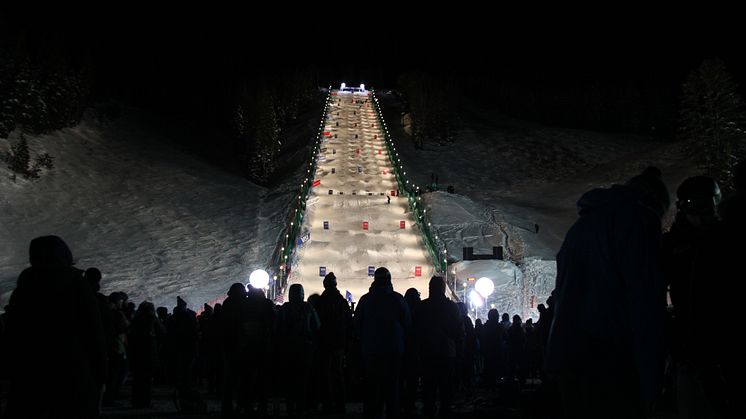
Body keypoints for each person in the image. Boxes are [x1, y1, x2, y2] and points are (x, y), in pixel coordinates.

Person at [545, 167, 671, 419]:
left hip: (570, 355)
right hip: (612, 360)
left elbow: (563, 296)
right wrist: (652, 382)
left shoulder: (581, 227)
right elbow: (644, 302)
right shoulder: (638, 223)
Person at [4, 236, 107, 418]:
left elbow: (12, 336)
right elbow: (94, 335)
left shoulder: (23, 288)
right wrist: (100, 378)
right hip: (73, 376)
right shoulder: (77, 285)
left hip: (29, 379)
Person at [662, 175, 729, 417]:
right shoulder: (674, 244)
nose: (703, 214)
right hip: (690, 340)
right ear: (683, 207)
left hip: (721, 337)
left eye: (708, 205)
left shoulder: (724, 237)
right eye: (695, 205)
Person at [354, 267, 411, 419]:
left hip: (372, 350)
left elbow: (357, 324)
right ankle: (392, 412)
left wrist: (365, 339)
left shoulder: (366, 300)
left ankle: (373, 412)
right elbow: (407, 323)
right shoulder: (398, 299)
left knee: (373, 387)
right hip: (393, 350)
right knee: (392, 386)